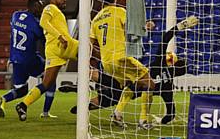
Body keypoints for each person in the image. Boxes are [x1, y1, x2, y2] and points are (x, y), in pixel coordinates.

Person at [65, 15, 198, 125]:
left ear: (173, 64)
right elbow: (171, 113)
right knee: (105, 101)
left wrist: (181, 25)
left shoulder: (160, 63)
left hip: (124, 82)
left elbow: (165, 38)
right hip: (125, 93)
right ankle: (84, 106)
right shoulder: (168, 89)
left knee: (102, 78)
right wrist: (161, 121)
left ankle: (80, 85)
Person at [88, 0, 154, 129]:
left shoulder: (96, 19)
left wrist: (101, 55)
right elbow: (131, 29)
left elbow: (90, 44)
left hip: (106, 63)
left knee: (132, 84)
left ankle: (117, 114)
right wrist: (145, 27)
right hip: (121, 58)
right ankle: (143, 120)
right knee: (149, 83)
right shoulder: (119, 11)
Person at [15, 0, 78, 121]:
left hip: (52, 49)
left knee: (47, 83)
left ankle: (23, 105)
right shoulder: (50, 7)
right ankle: (83, 87)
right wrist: (60, 36)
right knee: (92, 53)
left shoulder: (56, 12)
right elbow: (43, 22)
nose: (64, 0)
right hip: (63, 45)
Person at [0, 0, 56, 118]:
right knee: (50, 80)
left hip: (15, 60)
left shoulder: (15, 15)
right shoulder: (36, 24)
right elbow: (43, 39)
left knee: (22, 90)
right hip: (30, 59)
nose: (41, 9)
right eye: (39, 6)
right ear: (33, 7)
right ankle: (45, 113)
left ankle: (3, 99)